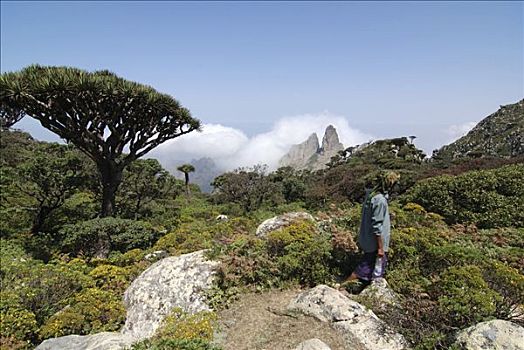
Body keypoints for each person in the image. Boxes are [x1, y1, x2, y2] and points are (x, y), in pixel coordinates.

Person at [341, 171, 400, 291]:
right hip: (375, 243)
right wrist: (380, 247)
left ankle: (358, 291)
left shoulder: (371, 196)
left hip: (367, 239)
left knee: (369, 269)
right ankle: (342, 288)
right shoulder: (380, 200)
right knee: (364, 269)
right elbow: (377, 226)